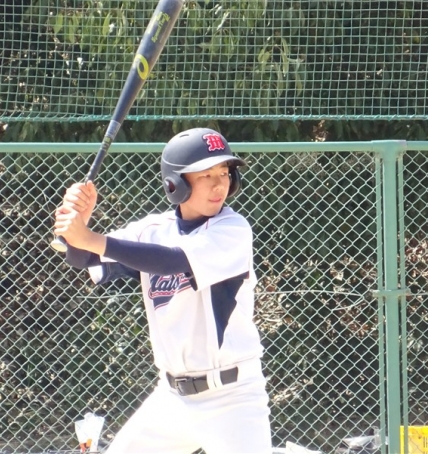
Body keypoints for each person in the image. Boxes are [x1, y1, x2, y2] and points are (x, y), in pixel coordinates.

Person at [54, 127, 272, 454]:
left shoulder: (233, 229)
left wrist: (90, 238)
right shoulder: (152, 230)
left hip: (232, 399)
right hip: (172, 399)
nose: (219, 184)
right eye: (206, 175)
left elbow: (171, 260)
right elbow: (84, 258)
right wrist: (76, 226)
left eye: (224, 172)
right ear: (175, 184)